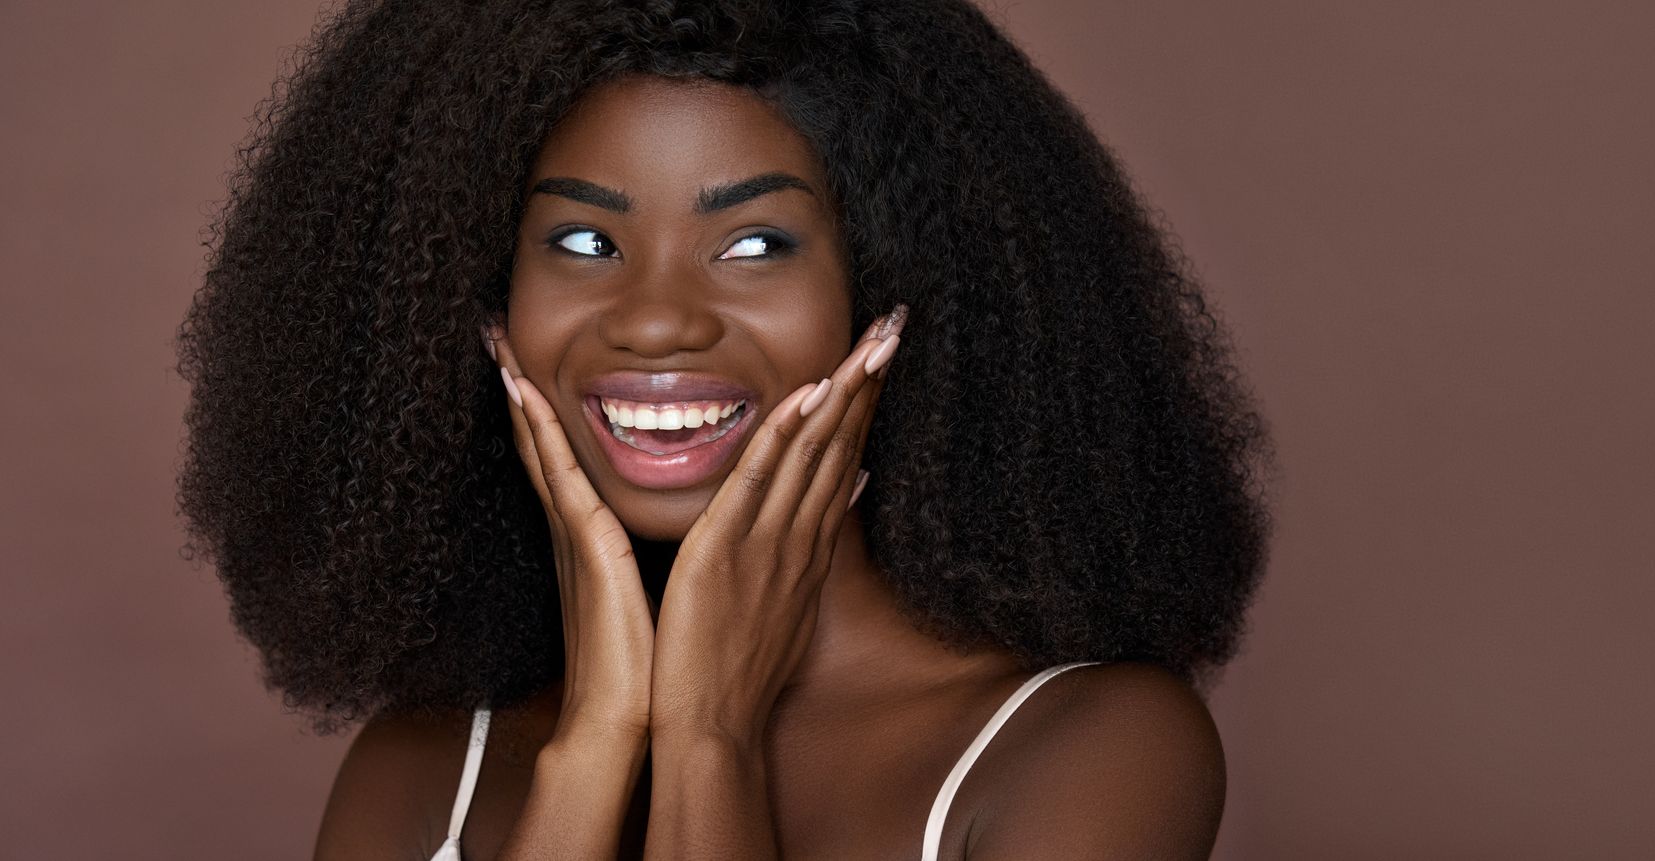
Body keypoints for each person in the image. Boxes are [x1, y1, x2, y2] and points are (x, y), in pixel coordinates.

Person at [175, 0, 1275, 857]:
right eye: (583, 245)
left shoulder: (1089, 750)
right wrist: (598, 740)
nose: (656, 319)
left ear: (897, 292)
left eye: (754, 246)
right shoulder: (423, 767)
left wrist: (711, 734)